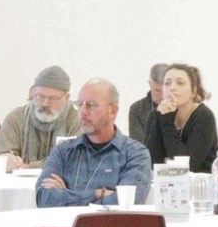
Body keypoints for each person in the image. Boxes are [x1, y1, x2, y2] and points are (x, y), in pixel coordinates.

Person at [35, 79, 151, 208]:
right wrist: (98, 193)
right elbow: (44, 198)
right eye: (79, 104)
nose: (83, 112)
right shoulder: (63, 151)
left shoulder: (135, 154)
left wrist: (66, 195)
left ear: (112, 111)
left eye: (91, 105)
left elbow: (125, 202)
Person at [0, 65, 82, 169]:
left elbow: (73, 160)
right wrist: (6, 160)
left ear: (66, 98)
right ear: (33, 93)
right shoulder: (16, 117)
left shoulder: (78, 120)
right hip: (17, 184)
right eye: (40, 96)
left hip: (62, 184)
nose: (45, 103)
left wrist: (26, 167)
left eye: (53, 98)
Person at [142, 63, 218, 172]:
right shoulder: (156, 115)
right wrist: (160, 119)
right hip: (163, 184)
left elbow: (188, 166)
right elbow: (150, 163)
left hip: (199, 184)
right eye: (167, 83)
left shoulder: (204, 116)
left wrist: (167, 123)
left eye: (180, 83)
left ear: (193, 91)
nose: (172, 88)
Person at [127, 62, 166, 147]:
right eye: (157, 91)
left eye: (166, 91)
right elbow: (138, 146)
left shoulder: (182, 107)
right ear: (150, 84)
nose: (163, 96)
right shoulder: (137, 109)